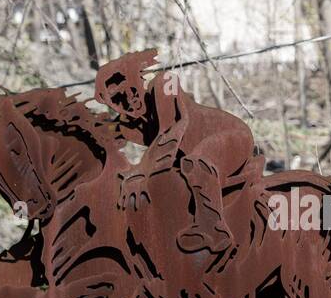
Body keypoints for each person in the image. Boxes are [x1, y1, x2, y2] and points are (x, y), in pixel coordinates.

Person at [93, 49, 258, 254]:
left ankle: (214, 229)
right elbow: (102, 143)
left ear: (139, 80)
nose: (129, 99)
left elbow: (172, 129)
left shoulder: (165, 83)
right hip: (192, 159)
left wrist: (139, 171)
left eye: (131, 88)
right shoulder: (128, 128)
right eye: (117, 98)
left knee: (196, 163)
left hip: (231, 137)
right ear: (110, 104)